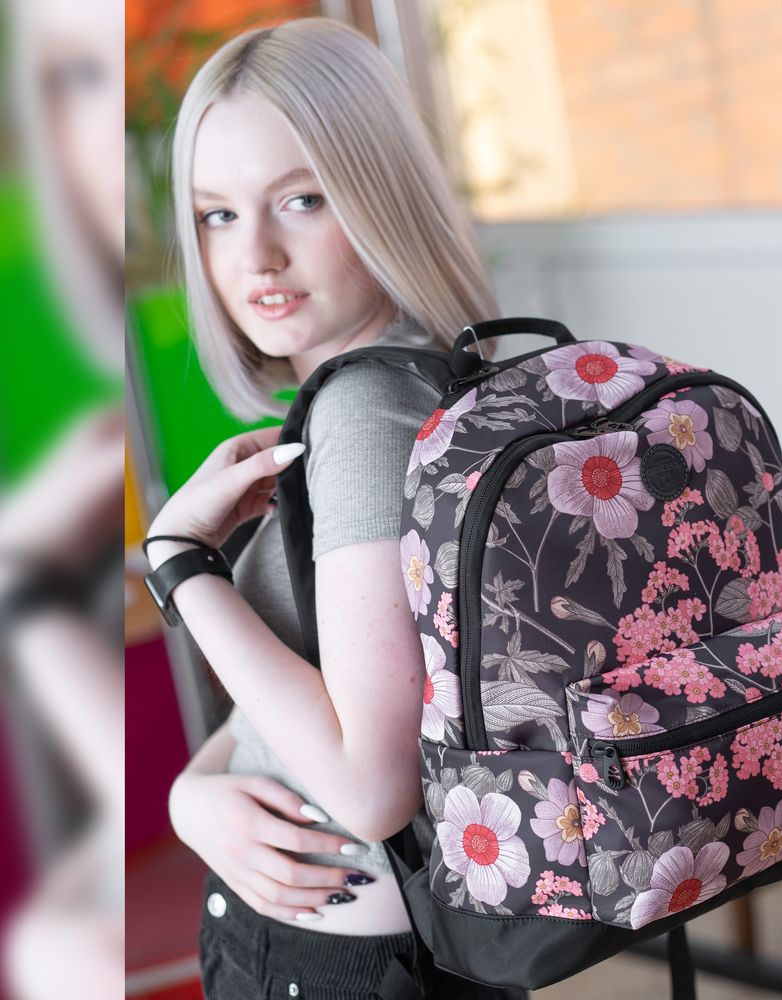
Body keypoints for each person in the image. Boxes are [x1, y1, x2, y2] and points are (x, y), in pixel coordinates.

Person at [151, 17, 520, 1000]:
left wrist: (181, 559)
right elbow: (327, 690)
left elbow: (367, 787)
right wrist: (194, 793)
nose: (256, 255)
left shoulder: (366, 411)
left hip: (333, 965)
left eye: (301, 199)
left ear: (378, 193)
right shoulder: (429, 376)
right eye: (216, 215)